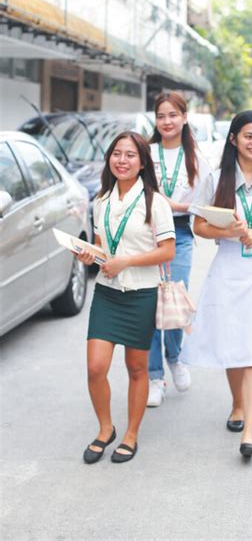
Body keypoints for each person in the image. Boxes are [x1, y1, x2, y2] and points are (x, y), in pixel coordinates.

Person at [181, 111, 252, 457]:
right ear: (234, 139)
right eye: (248, 136)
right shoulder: (217, 179)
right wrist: (226, 232)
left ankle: (250, 431)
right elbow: (198, 227)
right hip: (228, 271)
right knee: (232, 342)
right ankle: (236, 404)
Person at [77, 132, 175, 464]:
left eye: (130, 155)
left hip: (141, 294)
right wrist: (91, 256)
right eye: (116, 154)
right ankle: (106, 429)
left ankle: (131, 434)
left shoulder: (154, 202)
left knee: (136, 368)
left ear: (142, 162)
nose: (122, 160)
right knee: (95, 367)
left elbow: (168, 250)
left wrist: (128, 261)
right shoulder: (101, 201)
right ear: (109, 159)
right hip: (107, 293)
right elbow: (105, 247)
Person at [147, 91, 211, 407]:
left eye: (173, 115)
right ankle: (154, 376)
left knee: (173, 298)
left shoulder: (197, 158)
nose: (167, 121)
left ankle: (175, 357)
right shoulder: (146, 152)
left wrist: (173, 204)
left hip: (180, 232)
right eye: (161, 116)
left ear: (184, 117)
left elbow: (203, 204)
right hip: (145, 234)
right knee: (147, 304)